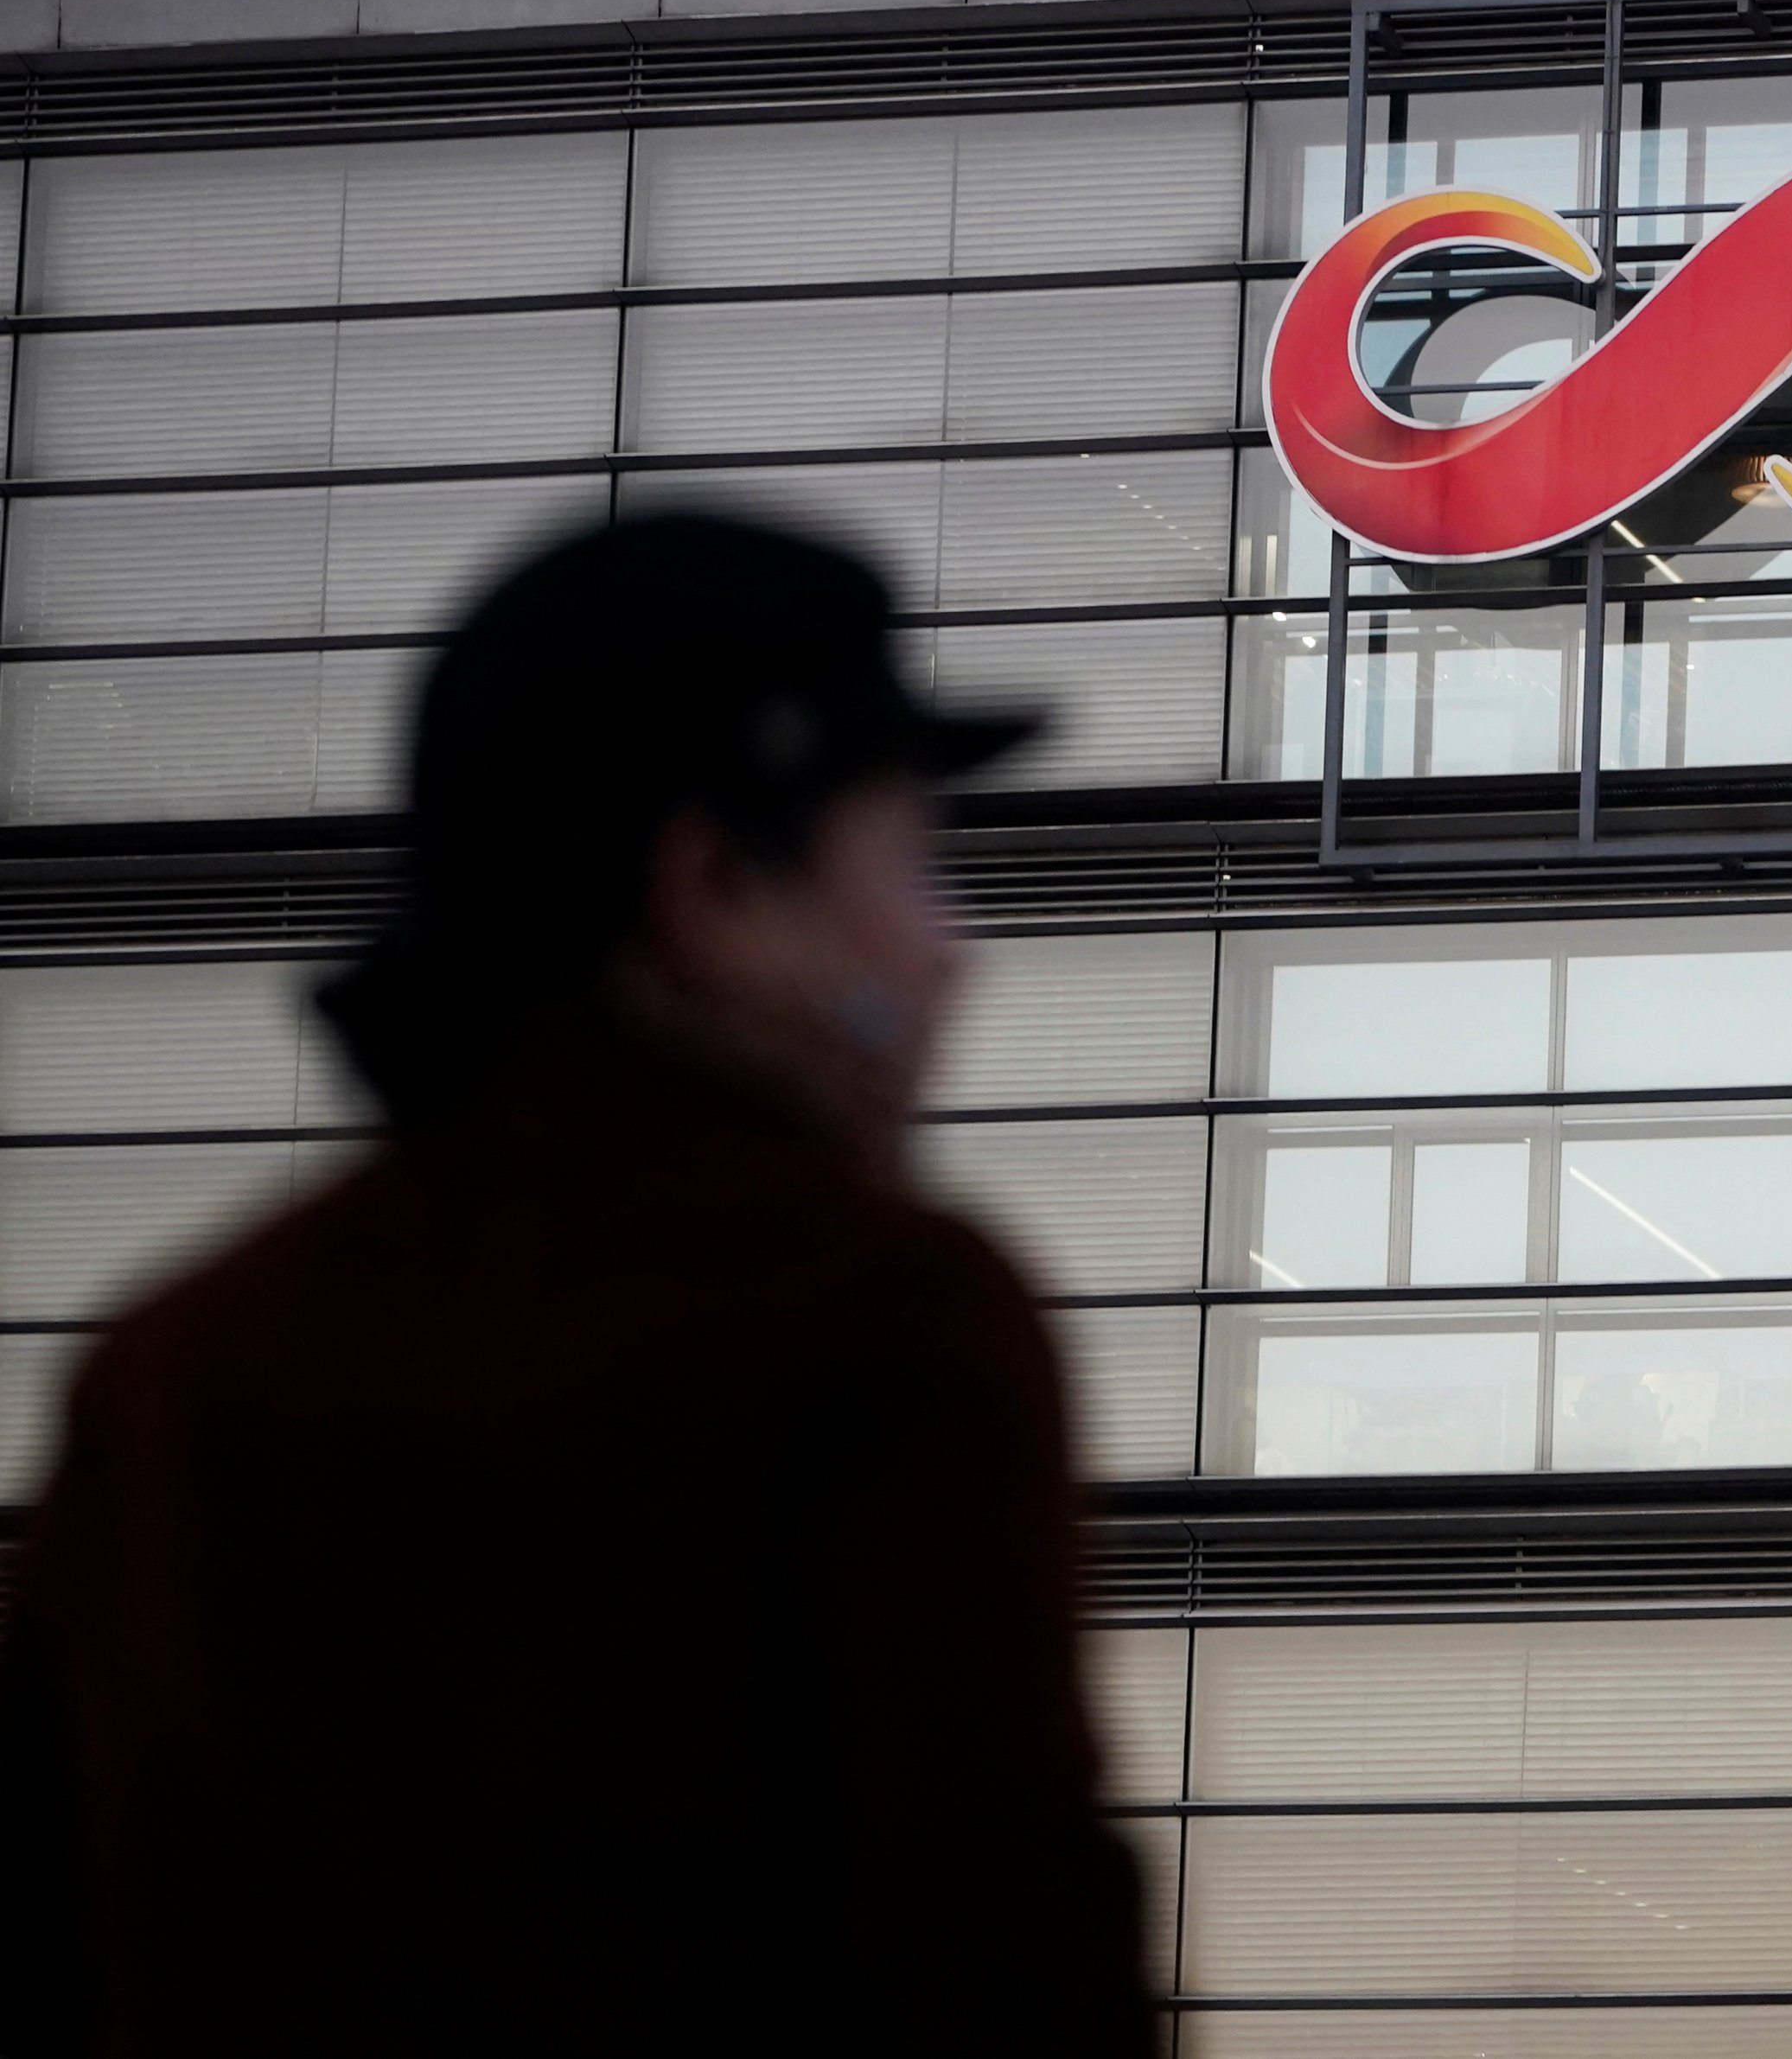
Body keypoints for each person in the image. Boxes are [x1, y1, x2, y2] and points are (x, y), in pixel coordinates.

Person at [0, 517, 1151, 2057]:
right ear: (715, 886)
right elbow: (1007, 1970)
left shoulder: (166, 1369)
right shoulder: (880, 1319)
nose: (954, 952)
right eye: (912, 859)